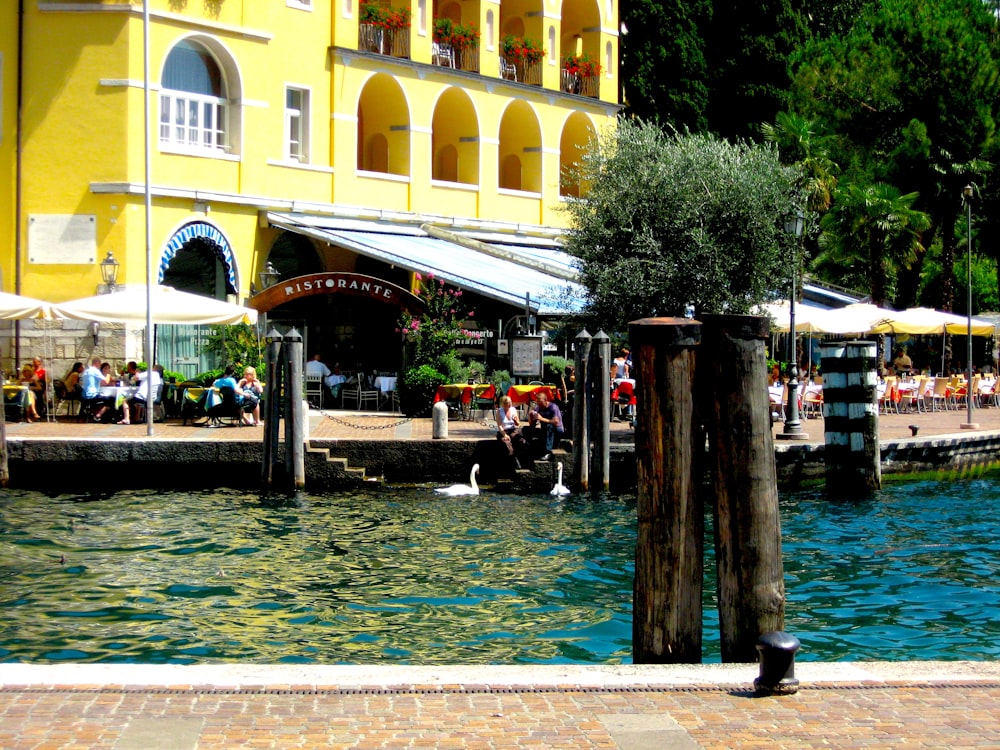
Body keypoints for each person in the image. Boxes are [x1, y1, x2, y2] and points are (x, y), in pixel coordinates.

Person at [495, 394, 530, 469]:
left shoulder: (513, 410)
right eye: (508, 403)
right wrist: (504, 434)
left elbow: (518, 423)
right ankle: (514, 460)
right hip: (503, 431)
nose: (510, 404)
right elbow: (499, 425)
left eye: (510, 402)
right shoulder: (499, 411)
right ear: (504, 404)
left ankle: (525, 460)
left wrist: (515, 420)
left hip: (513, 430)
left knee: (522, 441)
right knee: (507, 443)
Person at [527, 390, 563, 460]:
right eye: (538, 404)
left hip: (557, 429)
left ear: (546, 400)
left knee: (549, 426)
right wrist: (531, 416)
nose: (540, 405)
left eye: (541, 403)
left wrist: (541, 418)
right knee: (527, 429)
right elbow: (531, 424)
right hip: (544, 429)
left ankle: (548, 452)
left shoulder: (553, 407)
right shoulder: (538, 408)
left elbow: (556, 422)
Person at [80, 356, 115, 422]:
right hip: (92, 395)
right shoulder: (95, 371)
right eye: (100, 364)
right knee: (111, 399)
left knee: (102, 399)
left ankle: (94, 413)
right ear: (97, 363)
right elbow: (105, 382)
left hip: (84, 395)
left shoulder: (86, 371)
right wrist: (107, 374)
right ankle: (98, 415)